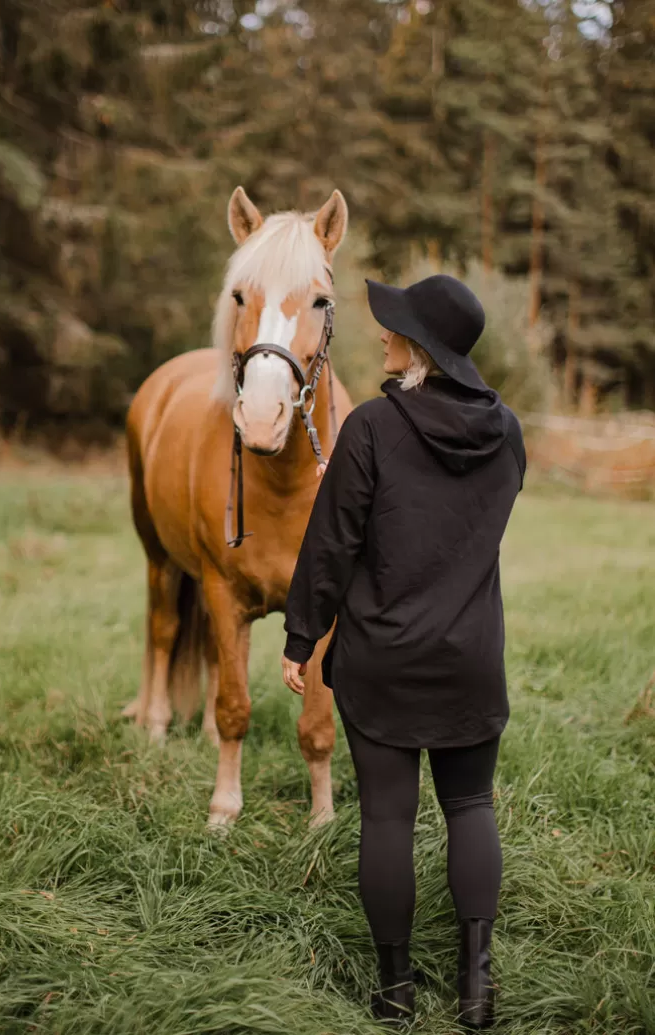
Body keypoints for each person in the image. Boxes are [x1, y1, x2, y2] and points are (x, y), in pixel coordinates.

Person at [281, 274, 526, 1030]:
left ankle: (395, 996)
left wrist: (300, 635)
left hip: (382, 657)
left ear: (420, 347)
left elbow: (332, 547)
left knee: (388, 818)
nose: (382, 334)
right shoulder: (507, 430)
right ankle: (476, 992)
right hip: (470, 656)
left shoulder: (371, 430)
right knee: (470, 805)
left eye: (394, 327)